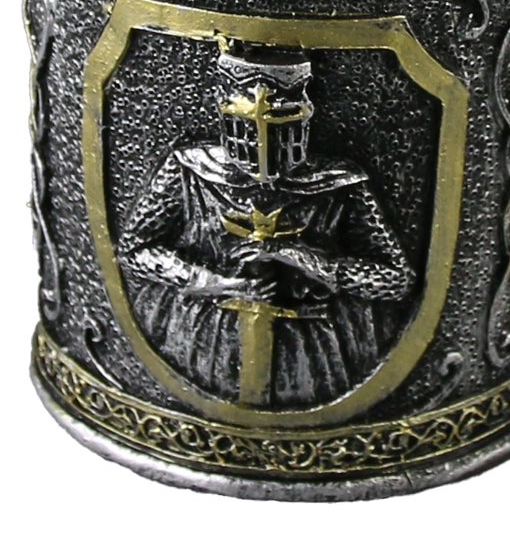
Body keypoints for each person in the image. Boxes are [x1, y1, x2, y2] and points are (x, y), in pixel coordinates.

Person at [117, 43, 414, 409]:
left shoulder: (340, 184)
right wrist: (212, 281)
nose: (261, 138)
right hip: (205, 331)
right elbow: (135, 249)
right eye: (249, 123)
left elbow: (395, 279)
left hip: (310, 340)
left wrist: (311, 261)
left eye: (278, 123)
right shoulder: (190, 169)